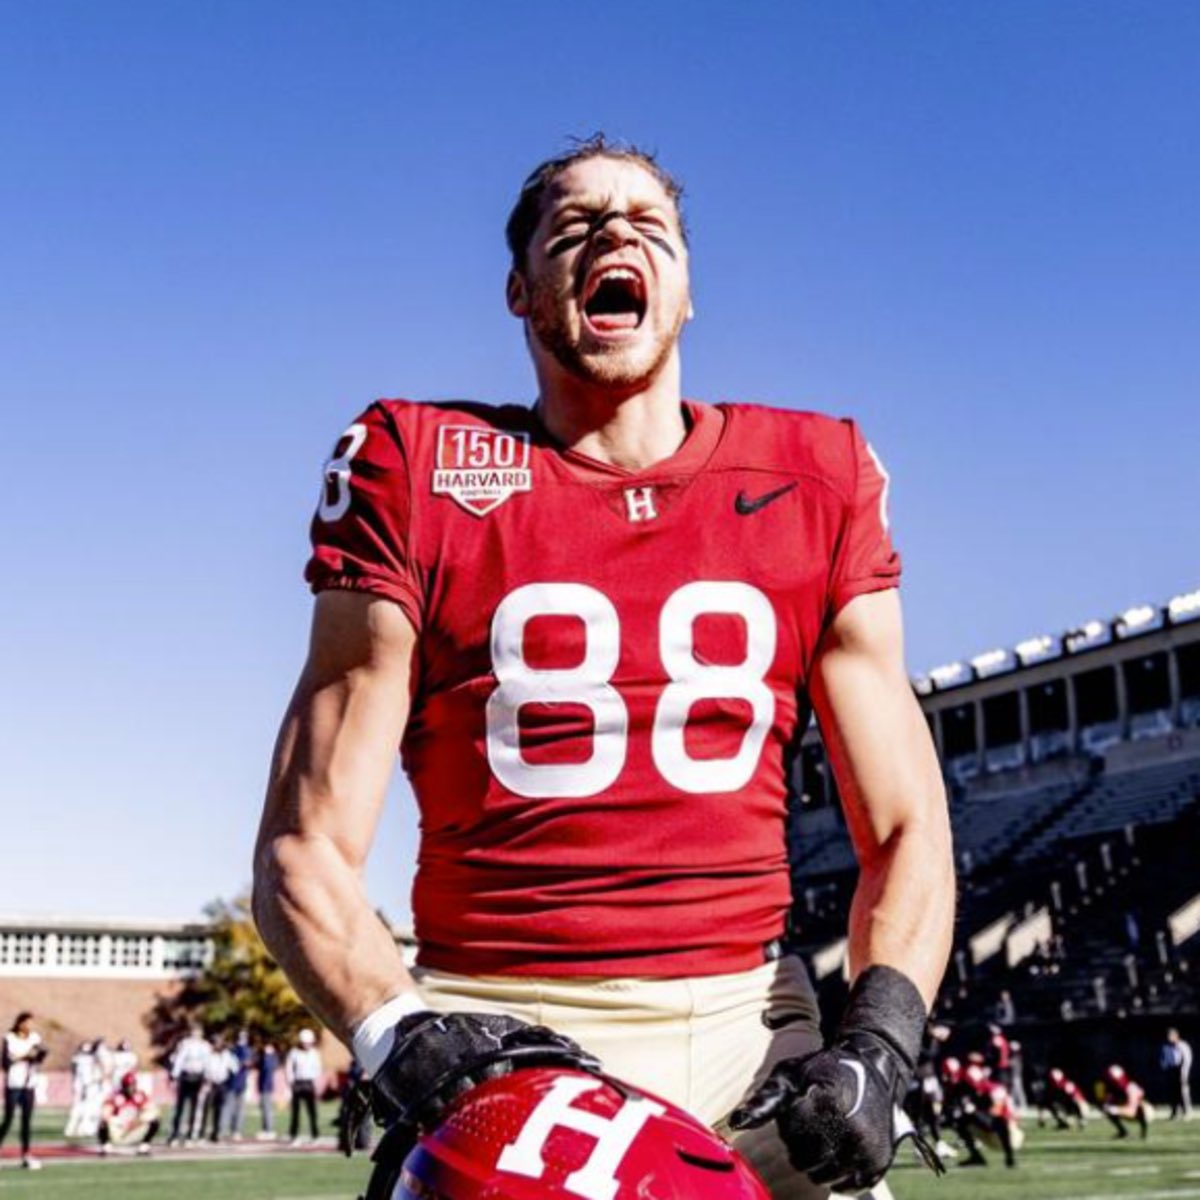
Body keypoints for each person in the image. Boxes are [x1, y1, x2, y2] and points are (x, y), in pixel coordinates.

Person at [253, 135, 955, 1200]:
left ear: (687, 290)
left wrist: (885, 1039)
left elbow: (906, 823)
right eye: (573, 226)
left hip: (752, 1029)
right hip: (503, 1030)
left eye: (647, 223)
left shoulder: (819, 474)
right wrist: (402, 1035)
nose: (615, 232)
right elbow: (303, 843)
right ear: (520, 290)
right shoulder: (415, 464)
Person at [0, 1011, 47, 1169]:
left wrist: (36, 1055)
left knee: (26, 1121)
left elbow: (41, 1055)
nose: (30, 1026)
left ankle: (26, 1154)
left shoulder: (34, 1038)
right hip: (13, 1084)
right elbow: (5, 1063)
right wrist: (24, 1057)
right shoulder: (9, 1038)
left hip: (29, 1084)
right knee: (8, 1119)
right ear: (20, 1023)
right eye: (27, 1022)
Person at [98, 1071, 161, 1156]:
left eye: (133, 1085)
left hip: (133, 1130)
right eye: (129, 1086)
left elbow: (153, 1110)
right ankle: (106, 1146)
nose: (131, 1088)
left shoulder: (140, 1096)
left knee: (154, 1119)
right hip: (118, 1131)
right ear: (124, 1086)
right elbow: (105, 1113)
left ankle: (144, 1146)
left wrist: (139, 1120)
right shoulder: (116, 1097)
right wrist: (119, 1122)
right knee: (103, 1122)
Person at [167, 1023, 210, 1145]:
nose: (196, 1034)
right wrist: (175, 1076)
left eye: (198, 1032)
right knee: (180, 1107)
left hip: (198, 1077)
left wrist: (207, 1078)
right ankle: (174, 1135)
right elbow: (179, 1060)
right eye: (194, 1031)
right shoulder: (185, 1044)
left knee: (195, 1107)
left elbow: (207, 1063)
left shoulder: (205, 1046)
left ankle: (190, 1135)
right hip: (185, 1077)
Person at [285, 1029, 322, 1144]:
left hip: (309, 1083)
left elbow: (318, 1068)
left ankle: (315, 1135)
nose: (307, 1045)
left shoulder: (314, 1053)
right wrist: (290, 1082)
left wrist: (315, 1082)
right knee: (295, 1112)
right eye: (305, 1042)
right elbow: (289, 1068)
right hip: (297, 1084)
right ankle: (294, 1135)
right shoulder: (294, 1052)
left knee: (312, 1112)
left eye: (308, 1042)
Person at [1101, 1064, 1148, 1139]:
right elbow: (1107, 1103)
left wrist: (1116, 1109)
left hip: (1145, 1113)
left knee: (1142, 1109)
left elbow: (1132, 1111)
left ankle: (1144, 1134)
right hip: (1129, 1110)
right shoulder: (1115, 1089)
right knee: (1108, 1109)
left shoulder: (1130, 1088)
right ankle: (1123, 1132)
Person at [222, 1030, 252, 1139]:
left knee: (240, 1108)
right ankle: (224, 1129)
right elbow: (233, 1065)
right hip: (232, 1083)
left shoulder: (246, 1049)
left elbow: (248, 1063)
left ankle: (236, 1130)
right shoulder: (234, 1050)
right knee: (229, 1107)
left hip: (242, 1082)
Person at [1161, 1028, 1193, 1120]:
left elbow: (1187, 1060)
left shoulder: (1183, 1046)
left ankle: (1187, 1112)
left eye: (1170, 1036)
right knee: (1173, 1093)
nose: (1169, 1038)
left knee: (1184, 1092)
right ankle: (1175, 1112)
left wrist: (1184, 1073)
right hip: (1172, 1071)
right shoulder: (1168, 1047)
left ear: (1176, 1036)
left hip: (1182, 1071)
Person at [256, 1040, 279, 1139]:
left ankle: (269, 1129)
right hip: (263, 1086)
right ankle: (265, 1128)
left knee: (267, 1109)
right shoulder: (265, 1057)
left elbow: (267, 1068)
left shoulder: (270, 1058)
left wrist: (268, 1055)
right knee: (264, 1108)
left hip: (267, 1086)